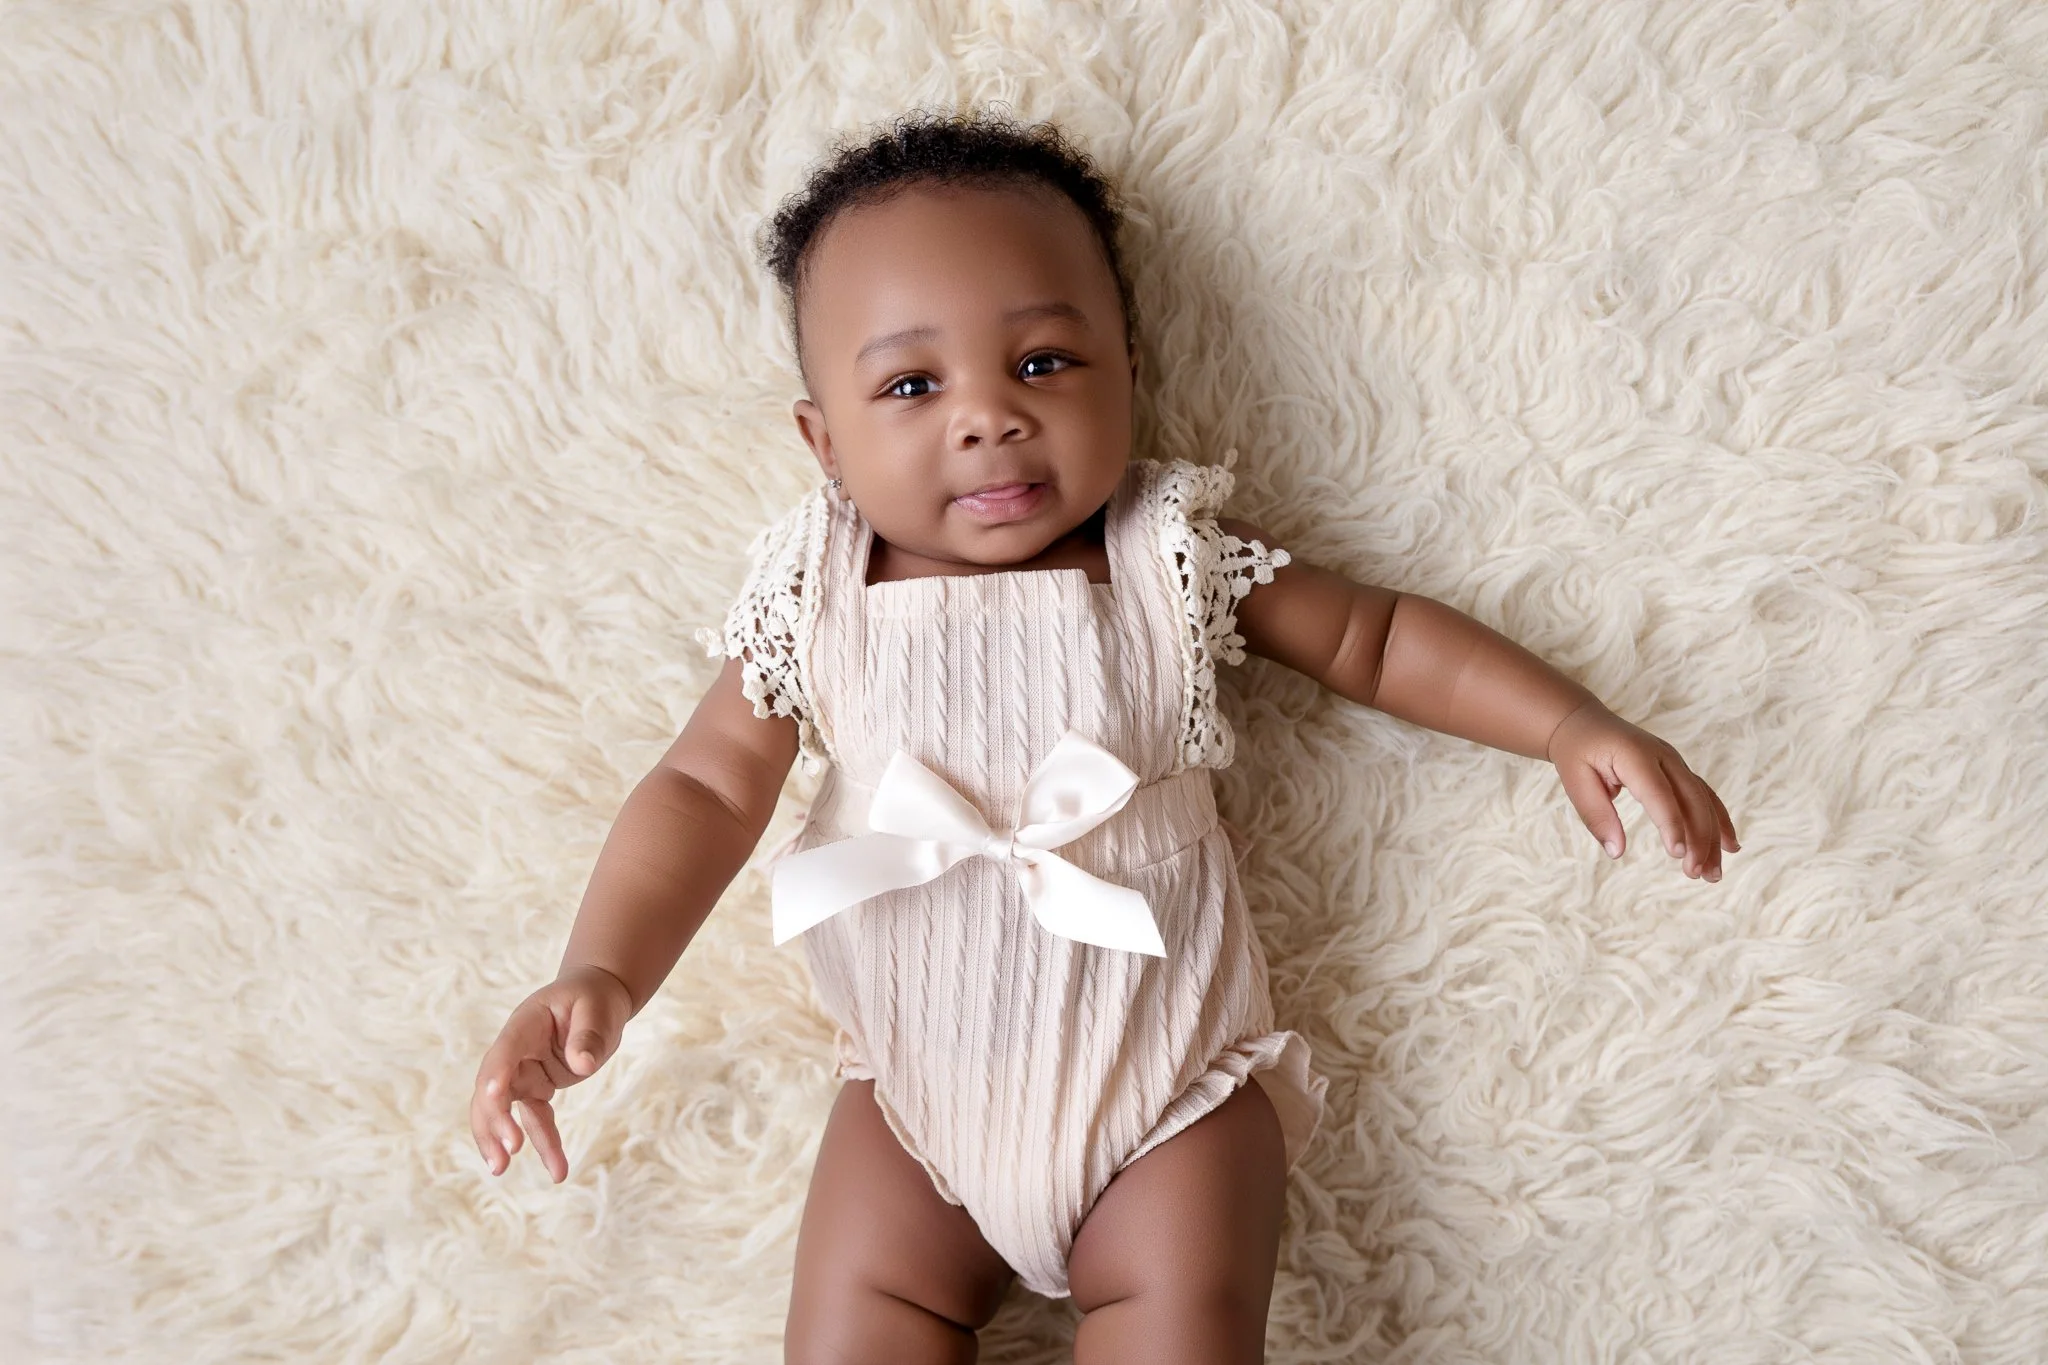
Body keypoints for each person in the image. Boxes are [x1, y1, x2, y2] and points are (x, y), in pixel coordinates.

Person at [469, 109, 1739, 1365]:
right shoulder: (817, 586)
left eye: (1042, 364)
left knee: (1177, 1317)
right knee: (855, 1321)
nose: (987, 418)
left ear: (1128, 367)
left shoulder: (1161, 552)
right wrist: (604, 973)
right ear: (825, 444)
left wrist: (1564, 721)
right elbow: (704, 784)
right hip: (913, 1114)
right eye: (911, 386)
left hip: (1166, 1099)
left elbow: (1376, 638)